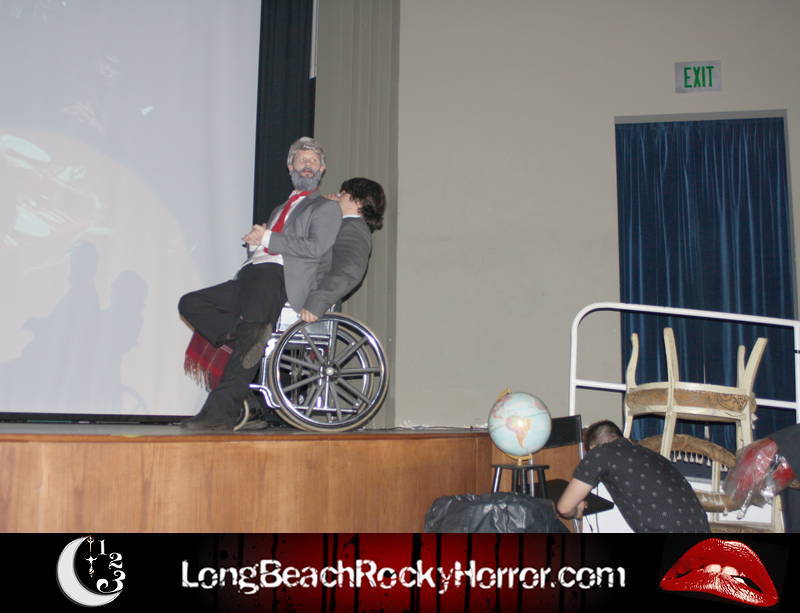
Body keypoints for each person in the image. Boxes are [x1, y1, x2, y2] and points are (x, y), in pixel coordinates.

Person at [178, 137, 341, 430]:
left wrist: (267, 237)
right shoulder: (280, 208)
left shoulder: (326, 208)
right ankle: (245, 336)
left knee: (253, 332)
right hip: (252, 275)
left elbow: (316, 248)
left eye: (313, 161)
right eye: (302, 160)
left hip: (279, 278)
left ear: (322, 168)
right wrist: (256, 245)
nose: (307, 165)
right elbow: (271, 246)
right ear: (290, 167)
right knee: (191, 303)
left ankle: (219, 413)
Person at [556, 420, 710, 532]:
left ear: (593, 447)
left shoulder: (600, 452)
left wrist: (577, 511)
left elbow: (564, 507)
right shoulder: (652, 455)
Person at [299, 177, 386, 323]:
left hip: (312, 300)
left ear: (358, 201)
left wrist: (318, 301)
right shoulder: (342, 224)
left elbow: (349, 270)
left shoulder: (353, 228)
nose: (338, 195)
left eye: (343, 193)